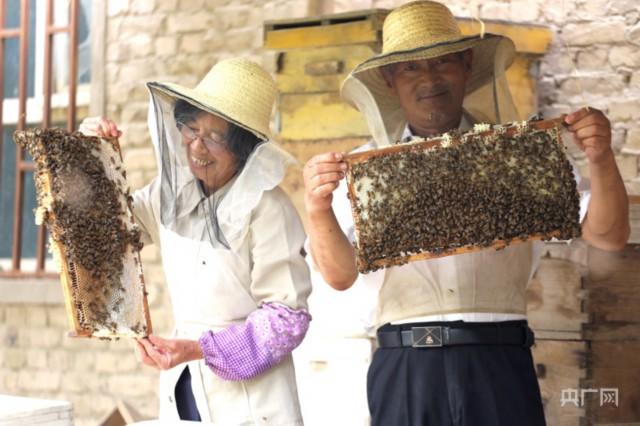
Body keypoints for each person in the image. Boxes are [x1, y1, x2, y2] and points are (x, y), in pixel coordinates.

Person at [303, 1, 630, 425]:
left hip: (500, 362)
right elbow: (339, 275)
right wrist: (316, 206)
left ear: (466, 64)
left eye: (443, 63)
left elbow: (608, 236)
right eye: (412, 68)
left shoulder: (517, 154)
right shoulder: (365, 170)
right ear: (390, 79)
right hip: (406, 367)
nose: (430, 79)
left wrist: (601, 157)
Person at [80, 58, 311, 424]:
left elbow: (286, 320)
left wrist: (198, 349)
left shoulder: (269, 208)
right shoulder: (169, 196)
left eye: (216, 137)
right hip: (184, 385)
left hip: (252, 402)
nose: (198, 148)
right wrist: (94, 157)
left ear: (244, 146)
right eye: (191, 129)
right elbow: (108, 235)